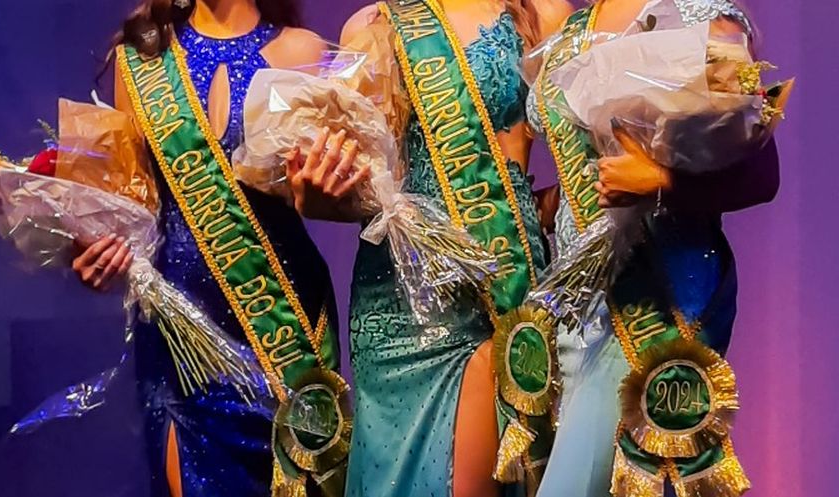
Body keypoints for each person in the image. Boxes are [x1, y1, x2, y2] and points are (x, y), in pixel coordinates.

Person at [288, 0, 573, 496]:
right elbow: (362, 188)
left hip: (496, 285)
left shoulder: (541, 13)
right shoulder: (372, 25)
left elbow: (587, 160)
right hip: (397, 303)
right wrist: (318, 198)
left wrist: (546, 206)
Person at [71, 1, 345, 495]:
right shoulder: (142, 61)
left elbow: (336, 194)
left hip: (281, 327)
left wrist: (329, 190)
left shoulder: (303, 52)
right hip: (182, 345)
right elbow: (130, 206)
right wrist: (92, 248)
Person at [530, 1, 781, 496]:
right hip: (580, 310)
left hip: (658, 296)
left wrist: (659, 181)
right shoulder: (572, 28)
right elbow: (594, 169)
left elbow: (762, 174)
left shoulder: (702, 15)